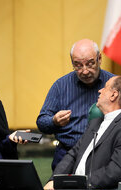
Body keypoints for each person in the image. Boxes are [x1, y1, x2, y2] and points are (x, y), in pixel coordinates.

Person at [44, 75, 121, 190]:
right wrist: (55, 180)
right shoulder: (95, 122)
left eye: (105, 88)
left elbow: (117, 171)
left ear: (114, 95)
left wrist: (76, 184)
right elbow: (73, 154)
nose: (100, 90)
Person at [37, 39, 115, 171]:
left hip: (104, 154)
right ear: (72, 63)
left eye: (90, 64)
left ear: (99, 59)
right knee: (55, 189)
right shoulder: (61, 86)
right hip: (68, 152)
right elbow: (41, 122)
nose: (85, 71)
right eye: (78, 65)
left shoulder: (114, 84)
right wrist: (54, 121)